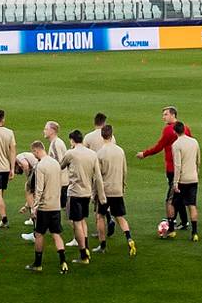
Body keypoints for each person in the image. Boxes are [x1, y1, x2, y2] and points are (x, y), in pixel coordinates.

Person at [137, 107, 192, 232]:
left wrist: (144, 154)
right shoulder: (186, 128)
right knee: (180, 195)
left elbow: (159, 146)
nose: (163, 117)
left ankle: (171, 224)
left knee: (171, 198)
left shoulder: (168, 130)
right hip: (185, 168)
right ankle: (184, 222)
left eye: (165, 114)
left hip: (173, 169)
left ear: (173, 115)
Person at [60, 130, 106, 264]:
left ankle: (83, 254)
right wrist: (101, 196)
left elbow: (60, 166)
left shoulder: (70, 153)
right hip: (87, 193)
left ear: (72, 140)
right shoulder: (92, 154)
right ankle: (86, 247)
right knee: (83, 221)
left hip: (75, 193)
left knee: (77, 223)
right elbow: (98, 176)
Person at [26, 141, 69, 273]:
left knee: (39, 234)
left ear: (36, 151)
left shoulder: (40, 166)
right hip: (55, 205)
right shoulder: (56, 163)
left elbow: (39, 189)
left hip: (44, 207)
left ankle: (38, 264)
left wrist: (34, 207)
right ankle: (63, 262)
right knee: (56, 234)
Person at [94, 125, 135, 256]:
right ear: (112, 135)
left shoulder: (99, 153)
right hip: (117, 189)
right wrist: (123, 186)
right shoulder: (120, 151)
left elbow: (97, 176)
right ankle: (129, 238)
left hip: (105, 191)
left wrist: (95, 193)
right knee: (120, 216)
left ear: (102, 136)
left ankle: (102, 245)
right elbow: (124, 171)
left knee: (100, 216)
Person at [170, 121, 201, 242]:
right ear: (184, 129)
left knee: (173, 204)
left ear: (174, 131)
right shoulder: (194, 141)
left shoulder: (176, 145)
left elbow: (177, 165)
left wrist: (175, 182)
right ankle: (194, 233)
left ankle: (172, 230)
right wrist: (196, 173)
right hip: (193, 178)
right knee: (192, 205)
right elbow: (198, 160)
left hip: (183, 179)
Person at [43, 121, 69, 210]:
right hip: (62, 181)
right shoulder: (56, 142)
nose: (44, 131)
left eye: (46, 129)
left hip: (61, 182)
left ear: (52, 131)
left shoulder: (55, 144)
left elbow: (60, 164)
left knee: (61, 208)